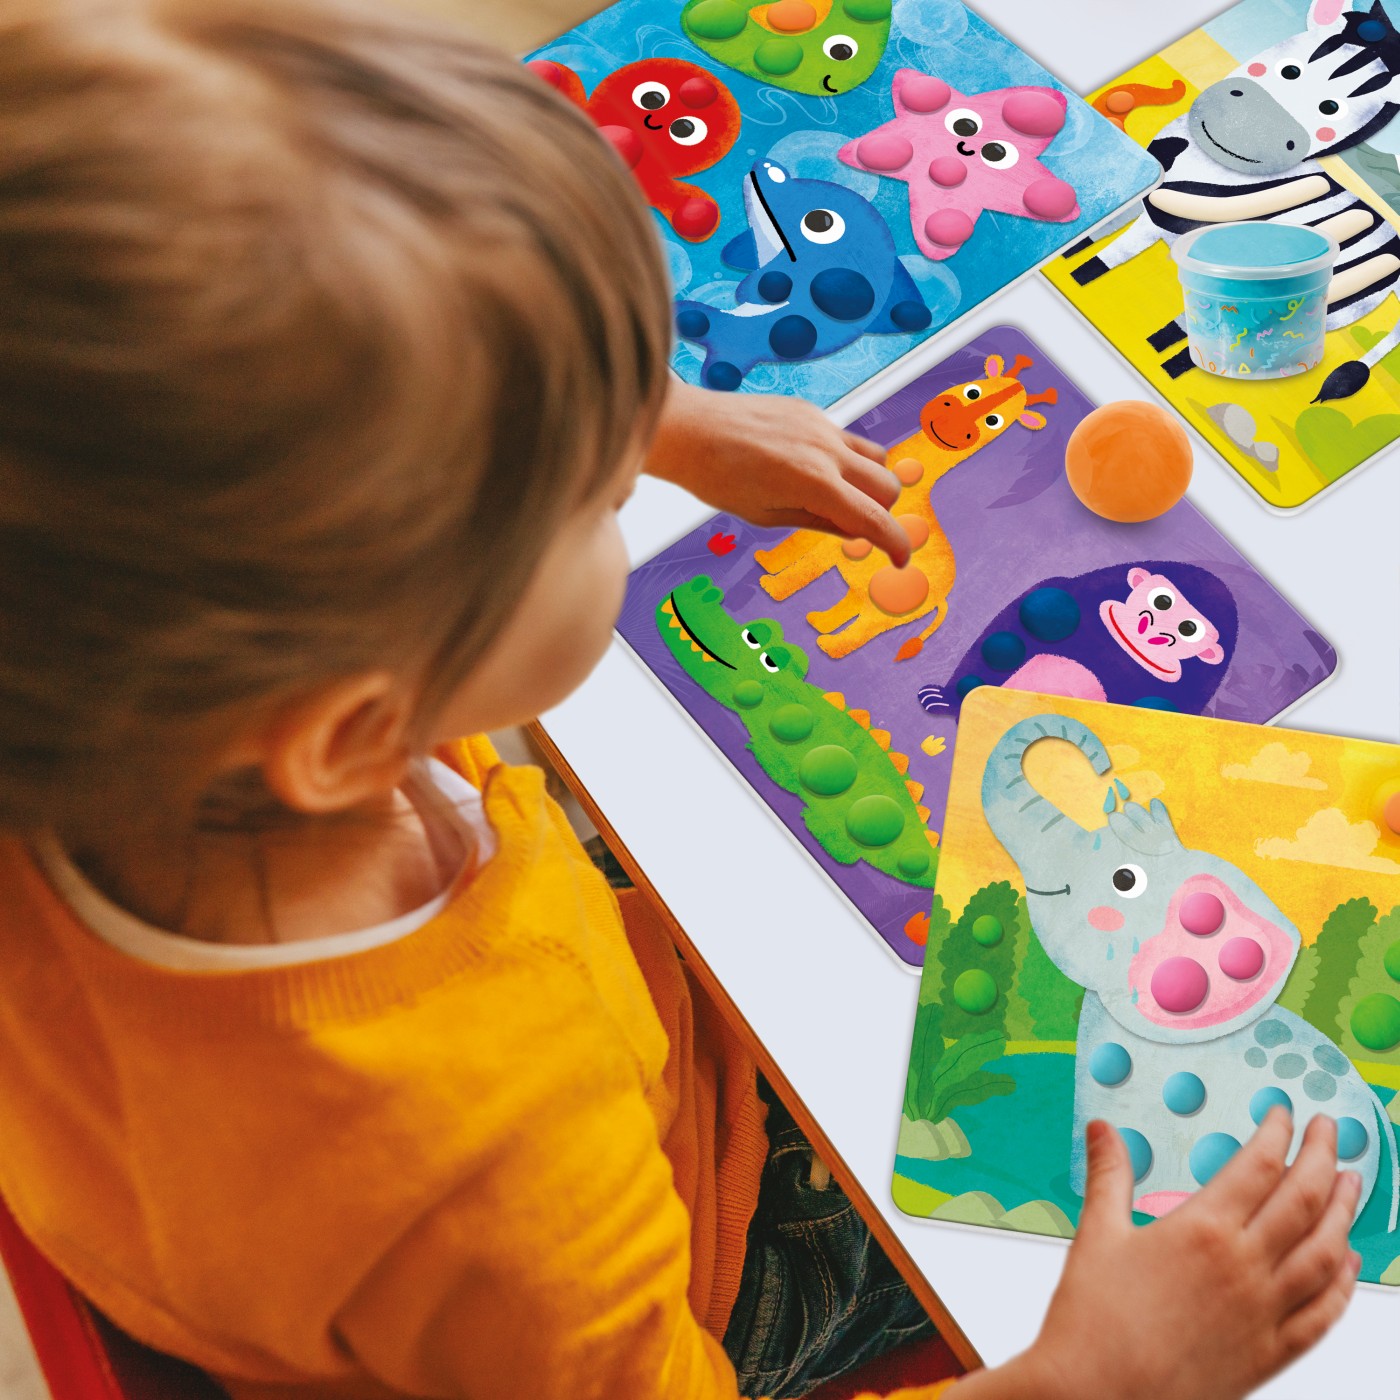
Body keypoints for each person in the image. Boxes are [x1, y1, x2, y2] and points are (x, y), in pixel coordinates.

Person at [0, 3, 1363, 1398]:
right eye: (598, 493)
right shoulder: (487, 1165)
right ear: (353, 731)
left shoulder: (121, 687)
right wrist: (1094, 1373)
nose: (625, 488)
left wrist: (667, 422)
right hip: (710, 1247)